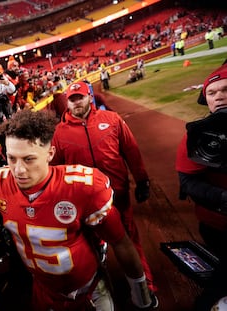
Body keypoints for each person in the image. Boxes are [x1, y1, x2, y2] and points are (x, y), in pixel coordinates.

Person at [0, 109, 157, 310]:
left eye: (28, 159)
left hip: (90, 291)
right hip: (43, 292)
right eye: (12, 158)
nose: (18, 170)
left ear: (50, 153)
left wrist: (140, 292)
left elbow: (121, 242)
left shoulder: (83, 187)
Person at [51, 81, 156, 294]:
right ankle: (98, 290)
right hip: (84, 203)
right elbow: (56, 170)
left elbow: (131, 151)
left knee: (130, 240)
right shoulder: (59, 133)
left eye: (80, 97)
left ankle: (146, 287)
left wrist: (142, 179)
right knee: (90, 248)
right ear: (67, 104)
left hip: (118, 196)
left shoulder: (112, 119)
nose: (76, 102)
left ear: (90, 97)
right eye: (72, 99)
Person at [175, 64, 227, 310]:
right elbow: (187, 182)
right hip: (219, 226)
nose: (219, 96)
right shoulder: (195, 136)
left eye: (226, 89)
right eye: (212, 93)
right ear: (206, 100)